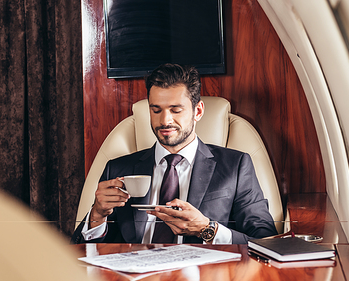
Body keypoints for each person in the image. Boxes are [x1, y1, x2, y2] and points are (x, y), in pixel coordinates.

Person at [71, 63, 277, 244]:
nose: (165, 121)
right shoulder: (116, 169)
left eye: (176, 110)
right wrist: (97, 214)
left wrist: (207, 229)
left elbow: (265, 240)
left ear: (198, 111)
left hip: (204, 280)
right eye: (156, 110)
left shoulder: (236, 166)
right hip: (134, 280)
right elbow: (82, 252)